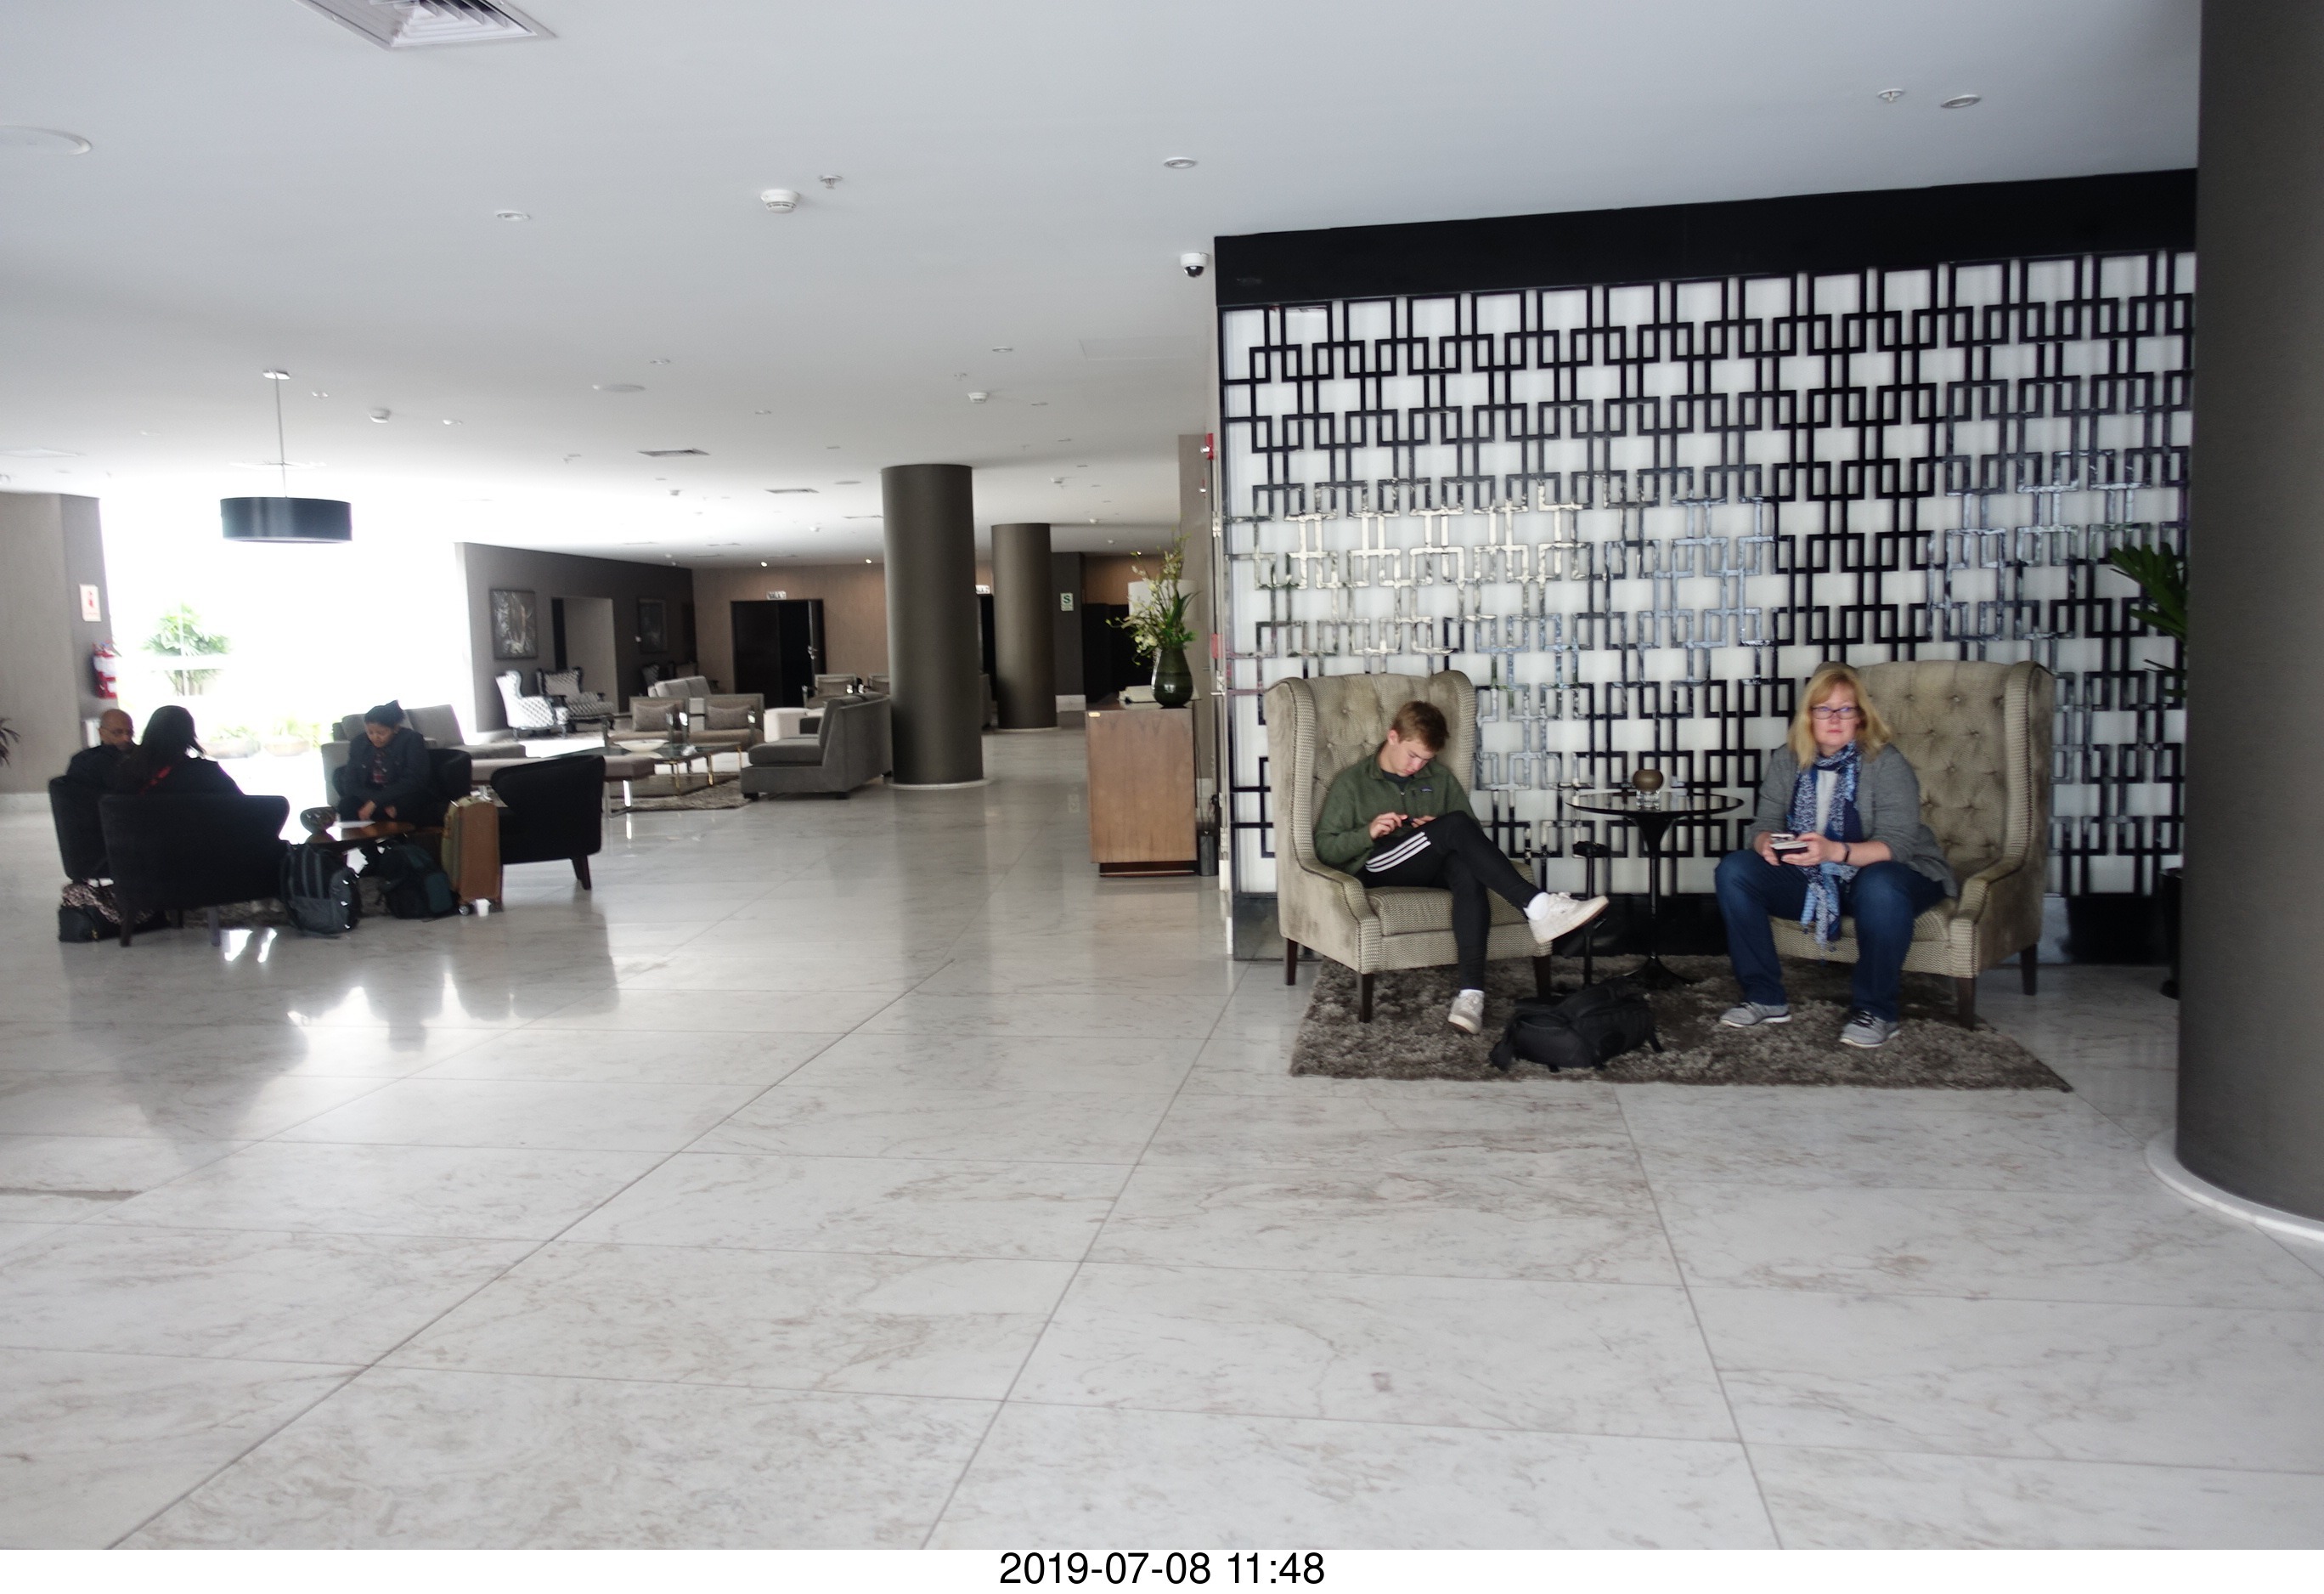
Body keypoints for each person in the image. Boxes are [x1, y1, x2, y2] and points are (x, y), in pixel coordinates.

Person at [1314, 699, 1608, 1034]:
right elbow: (1325, 849)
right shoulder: (1352, 782)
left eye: (1426, 759)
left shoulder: (1439, 778)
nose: (1416, 766)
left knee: (1466, 867)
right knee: (1453, 825)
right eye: (1413, 755)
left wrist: (1435, 829)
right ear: (1393, 737)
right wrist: (1367, 833)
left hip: (1430, 864)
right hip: (1379, 865)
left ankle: (1471, 996)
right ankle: (1538, 906)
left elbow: (1472, 839)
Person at [1714, 663, 1957, 1049]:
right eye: (1824, 709)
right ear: (1808, 716)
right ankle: (1765, 996)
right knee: (1735, 870)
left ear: (1861, 717)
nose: (1834, 719)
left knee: (1879, 882)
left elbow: (1896, 846)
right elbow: (1763, 824)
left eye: (1845, 709)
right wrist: (1766, 844)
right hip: (1816, 878)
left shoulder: (1885, 762)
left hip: (1900, 874)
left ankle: (1876, 1011)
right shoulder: (1788, 760)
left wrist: (1834, 851)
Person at [332, 700, 437, 827]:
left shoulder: (411, 740)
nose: (375, 737)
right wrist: (375, 801)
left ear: (395, 729)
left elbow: (414, 779)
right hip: (370, 793)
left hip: (401, 792)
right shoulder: (359, 743)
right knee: (346, 805)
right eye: (370, 732)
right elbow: (350, 783)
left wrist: (377, 801)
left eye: (381, 733)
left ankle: (399, 838)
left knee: (405, 806)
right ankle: (363, 839)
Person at [110, 705, 243, 795]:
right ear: (188, 736)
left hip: (142, 831)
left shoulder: (127, 771)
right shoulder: (206, 772)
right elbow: (241, 806)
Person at [64, 708, 135, 789]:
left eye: (130, 732)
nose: (126, 738)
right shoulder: (84, 761)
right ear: (101, 733)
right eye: (117, 732)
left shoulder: (142, 756)